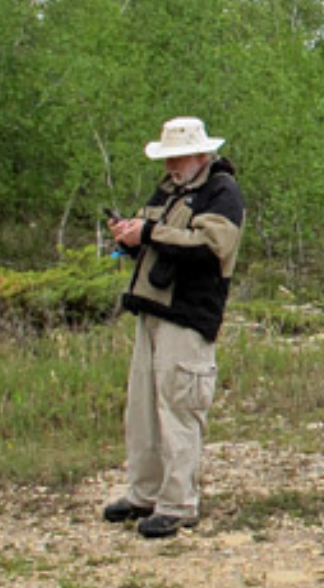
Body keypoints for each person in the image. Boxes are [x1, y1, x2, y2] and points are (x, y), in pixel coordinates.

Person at [102, 117, 244, 539]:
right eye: (167, 158)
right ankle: (144, 493)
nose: (171, 165)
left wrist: (148, 231)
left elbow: (211, 248)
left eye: (176, 156)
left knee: (179, 408)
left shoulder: (222, 192)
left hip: (188, 314)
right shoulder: (169, 190)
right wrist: (131, 236)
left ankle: (179, 502)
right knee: (142, 409)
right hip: (152, 309)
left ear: (200, 153)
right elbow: (158, 238)